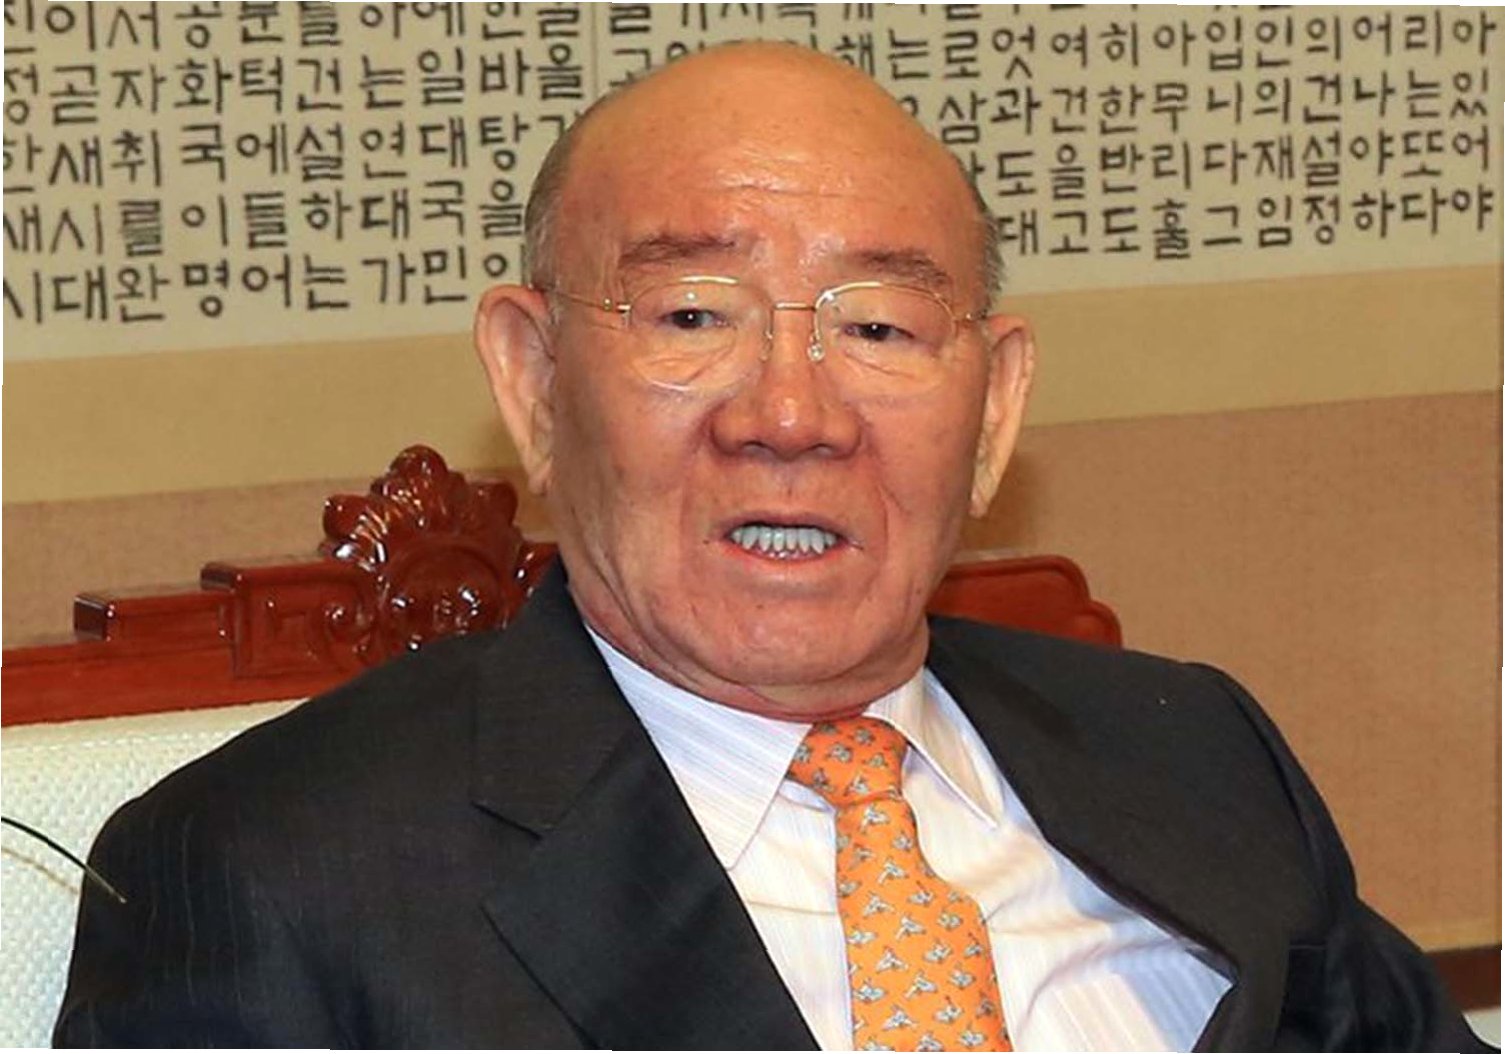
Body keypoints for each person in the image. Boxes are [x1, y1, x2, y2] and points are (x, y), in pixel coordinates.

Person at [55, 43, 1482, 1052]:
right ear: (534, 384)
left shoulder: (1191, 750)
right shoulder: (273, 876)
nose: (791, 417)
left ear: (994, 412)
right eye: (691, 316)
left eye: (881, 327)